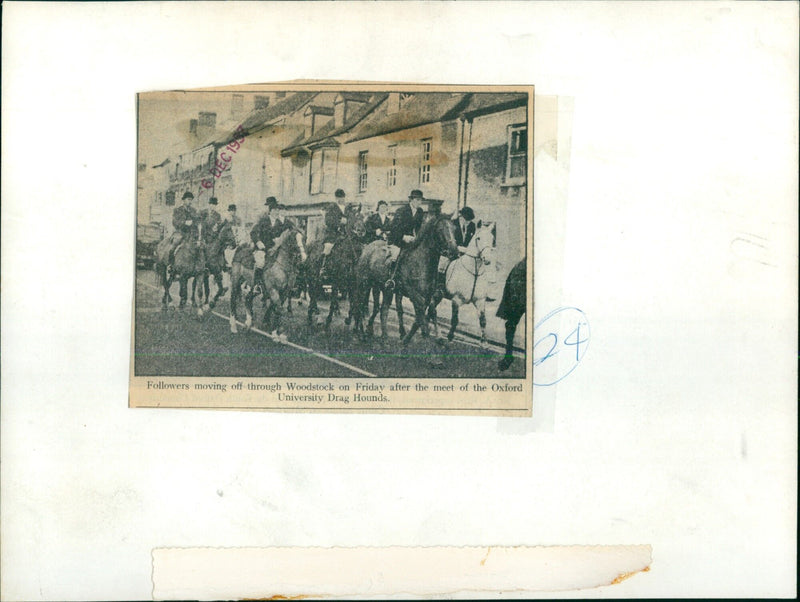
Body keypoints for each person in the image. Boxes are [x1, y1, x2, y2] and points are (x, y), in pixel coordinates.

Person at [387, 189, 425, 263]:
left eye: (420, 200)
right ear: (411, 200)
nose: (419, 202)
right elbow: (394, 228)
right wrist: (403, 237)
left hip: (411, 241)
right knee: (395, 256)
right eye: (417, 200)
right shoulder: (401, 211)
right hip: (397, 240)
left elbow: (418, 227)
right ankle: (392, 273)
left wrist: (417, 237)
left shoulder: (420, 211)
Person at [320, 188, 348, 276]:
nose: (341, 199)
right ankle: (323, 267)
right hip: (332, 234)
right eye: (339, 198)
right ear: (336, 198)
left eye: (343, 197)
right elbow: (328, 221)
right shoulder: (331, 208)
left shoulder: (347, 208)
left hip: (345, 235)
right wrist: (339, 222)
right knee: (328, 247)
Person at [168, 191, 198, 263]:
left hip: (191, 234)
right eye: (188, 199)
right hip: (180, 233)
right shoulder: (178, 210)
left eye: (191, 200)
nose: (190, 201)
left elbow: (197, 220)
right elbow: (174, 222)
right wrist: (184, 223)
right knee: (173, 246)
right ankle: (171, 264)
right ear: (184, 200)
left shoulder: (194, 211)